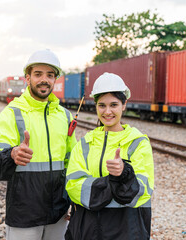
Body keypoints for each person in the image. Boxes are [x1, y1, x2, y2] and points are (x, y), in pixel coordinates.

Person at [0, 49, 77, 240]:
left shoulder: (64, 116)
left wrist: (75, 202)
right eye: (38, 74)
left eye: (50, 75)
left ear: (55, 79)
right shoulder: (12, 113)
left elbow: (73, 162)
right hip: (24, 214)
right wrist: (12, 155)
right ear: (28, 78)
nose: (44, 79)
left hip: (58, 214)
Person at [65, 72, 154, 240]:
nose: (107, 112)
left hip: (125, 232)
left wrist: (124, 173)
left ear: (124, 105)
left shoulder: (138, 143)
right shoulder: (85, 144)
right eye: (102, 105)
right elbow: (73, 187)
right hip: (88, 232)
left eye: (114, 105)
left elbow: (142, 192)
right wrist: (114, 182)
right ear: (96, 106)